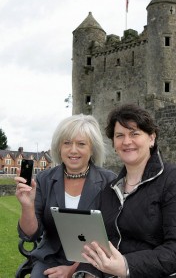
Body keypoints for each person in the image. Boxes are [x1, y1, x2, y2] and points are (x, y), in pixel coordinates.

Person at [73, 104, 176, 278]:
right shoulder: (110, 190)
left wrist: (126, 266)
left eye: (135, 133)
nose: (126, 141)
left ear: (151, 138)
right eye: (119, 135)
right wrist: (89, 272)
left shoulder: (174, 180)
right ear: (114, 144)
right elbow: (102, 243)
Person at [15, 114, 117, 278]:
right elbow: (31, 234)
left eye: (81, 144)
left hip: (93, 262)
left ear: (92, 149)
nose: (73, 150)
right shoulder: (44, 179)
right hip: (50, 259)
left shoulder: (108, 181)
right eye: (67, 143)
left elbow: (111, 233)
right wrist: (27, 206)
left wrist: (73, 269)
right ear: (59, 148)